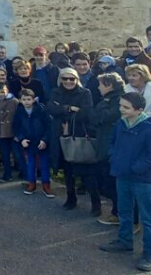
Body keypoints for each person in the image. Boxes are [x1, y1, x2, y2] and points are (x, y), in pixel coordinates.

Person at [99, 92, 151, 273]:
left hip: (142, 180)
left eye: (126, 107)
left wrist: (135, 167)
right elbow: (112, 143)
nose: (121, 110)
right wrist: (115, 158)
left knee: (147, 218)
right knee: (124, 211)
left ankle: (150, 254)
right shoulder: (121, 124)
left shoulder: (149, 129)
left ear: (139, 110)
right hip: (122, 175)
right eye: (121, 106)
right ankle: (124, 241)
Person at [47, 67, 99, 214]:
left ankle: (96, 203)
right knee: (67, 170)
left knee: (85, 171)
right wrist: (69, 108)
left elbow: (86, 113)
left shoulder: (85, 93)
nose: (69, 81)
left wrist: (64, 114)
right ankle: (71, 198)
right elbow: (51, 108)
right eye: (65, 79)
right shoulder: (56, 92)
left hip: (80, 134)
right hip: (61, 135)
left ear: (77, 80)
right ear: (60, 80)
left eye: (72, 79)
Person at [89, 73, 127, 225]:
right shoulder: (106, 100)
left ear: (109, 85)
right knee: (107, 181)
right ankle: (116, 212)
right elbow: (93, 118)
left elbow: (106, 117)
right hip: (104, 144)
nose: (98, 88)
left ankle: (119, 214)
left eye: (101, 84)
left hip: (113, 147)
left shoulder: (118, 100)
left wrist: (102, 107)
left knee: (113, 182)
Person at [13, 89, 54, 197]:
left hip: (41, 142)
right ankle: (32, 184)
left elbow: (48, 126)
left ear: (33, 99)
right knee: (30, 164)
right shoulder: (19, 111)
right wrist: (21, 139)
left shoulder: (41, 110)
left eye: (29, 99)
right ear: (20, 100)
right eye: (24, 99)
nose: (27, 102)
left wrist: (45, 140)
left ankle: (46, 185)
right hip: (28, 142)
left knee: (44, 165)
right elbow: (16, 127)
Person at [0, 84, 22, 182]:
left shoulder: (14, 101)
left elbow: (19, 118)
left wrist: (18, 133)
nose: (1, 94)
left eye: (3, 92)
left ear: (7, 91)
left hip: (13, 132)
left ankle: (24, 172)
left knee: (18, 154)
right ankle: (7, 174)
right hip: (0, 132)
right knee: (5, 155)